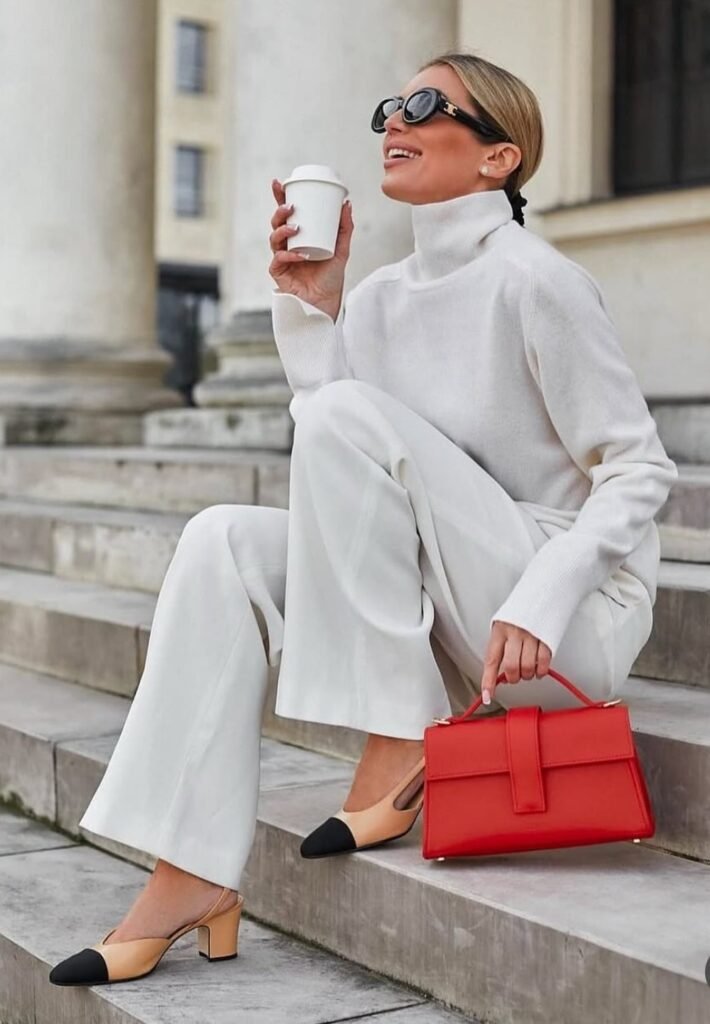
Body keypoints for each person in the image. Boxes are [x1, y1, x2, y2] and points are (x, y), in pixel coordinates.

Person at [49, 50, 678, 987]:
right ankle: (187, 877)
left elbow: (639, 469)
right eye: (391, 105)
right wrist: (314, 309)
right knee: (221, 539)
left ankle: (396, 739)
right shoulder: (380, 296)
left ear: (500, 158)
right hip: (447, 606)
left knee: (343, 420)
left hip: (557, 626)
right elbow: (351, 472)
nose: (395, 121)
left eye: (426, 106)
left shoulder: (535, 281)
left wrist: (544, 598)